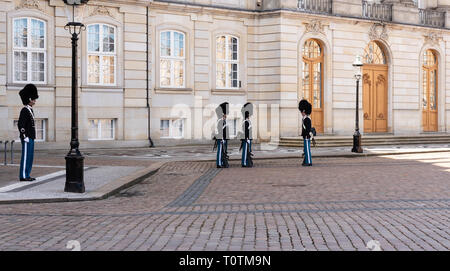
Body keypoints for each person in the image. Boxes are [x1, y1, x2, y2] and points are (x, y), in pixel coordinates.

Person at [18, 84, 39, 181]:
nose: (35, 100)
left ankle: (27, 174)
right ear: (29, 99)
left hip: (31, 137)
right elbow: (21, 125)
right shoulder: (24, 110)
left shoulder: (30, 110)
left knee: (30, 156)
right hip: (26, 137)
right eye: (33, 99)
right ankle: (23, 175)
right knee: (26, 157)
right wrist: (24, 135)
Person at [214, 102, 229, 168]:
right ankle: (219, 163)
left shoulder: (223, 120)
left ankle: (222, 162)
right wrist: (222, 138)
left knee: (223, 151)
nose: (226, 115)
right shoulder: (220, 120)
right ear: (223, 114)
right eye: (225, 114)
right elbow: (220, 130)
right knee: (220, 151)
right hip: (221, 138)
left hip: (224, 138)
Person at [299, 99, 312, 166]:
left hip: (307, 136)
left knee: (307, 150)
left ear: (304, 111)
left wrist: (306, 135)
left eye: (302, 111)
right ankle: (306, 160)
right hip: (305, 136)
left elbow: (308, 129)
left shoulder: (307, 119)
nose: (301, 113)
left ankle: (309, 162)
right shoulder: (304, 118)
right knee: (305, 150)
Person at [240, 102, 253, 167]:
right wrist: (247, 138)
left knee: (248, 151)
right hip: (246, 139)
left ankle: (247, 162)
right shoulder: (245, 121)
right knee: (245, 151)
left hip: (249, 138)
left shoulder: (248, 121)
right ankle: (244, 163)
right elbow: (245, 131)